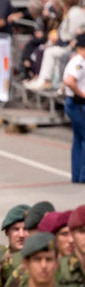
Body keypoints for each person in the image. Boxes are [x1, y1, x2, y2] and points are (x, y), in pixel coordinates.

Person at [62, 32, 85, 183]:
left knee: (78, 138)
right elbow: (69, 81)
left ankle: (77, 175)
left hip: (72, 102)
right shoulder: (80, 62)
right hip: (77, 103)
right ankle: (82, 175)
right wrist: (83, 94)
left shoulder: (76, 60)